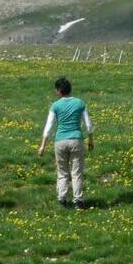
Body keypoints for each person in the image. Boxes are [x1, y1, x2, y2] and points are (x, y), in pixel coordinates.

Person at [37, 77, 94, 209]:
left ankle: (62, 199)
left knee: (62, 171)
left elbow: (49, 127)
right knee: (77, 172)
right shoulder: (80, 103)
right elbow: (88, 125)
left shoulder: (55, 106)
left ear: (58, 91)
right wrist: (90, 139)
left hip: (60, 141)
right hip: (76, 140)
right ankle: (78, 200)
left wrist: (42, 146)